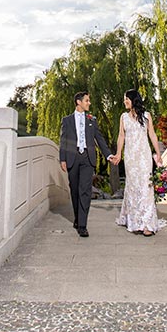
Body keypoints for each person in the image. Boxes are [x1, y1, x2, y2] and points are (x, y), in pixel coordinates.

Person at [59, 91, 114, 237]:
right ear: (79, 102)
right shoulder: (67, 120)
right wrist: (62, 159)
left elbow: (99, 139)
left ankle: (82, 225)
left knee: (85, 191)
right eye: (87, 100)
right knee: (75, 190)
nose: (89, 103)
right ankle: (78, 218)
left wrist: (108, 154)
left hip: (87, 159)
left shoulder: (92, 120)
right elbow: (63, 141)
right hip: (72, 157)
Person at [113, 88, 165, 236]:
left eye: (126, 99)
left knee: (146, 187)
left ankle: (147, 224)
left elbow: (152, 135)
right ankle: (135, 221)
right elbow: (121, 136)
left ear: (133, 99)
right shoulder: (123, 117)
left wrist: (158, 153)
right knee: (133, 186)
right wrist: (118, 153)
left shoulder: (147, 116)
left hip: (144, 156)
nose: (124, 101)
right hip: (130, 157)